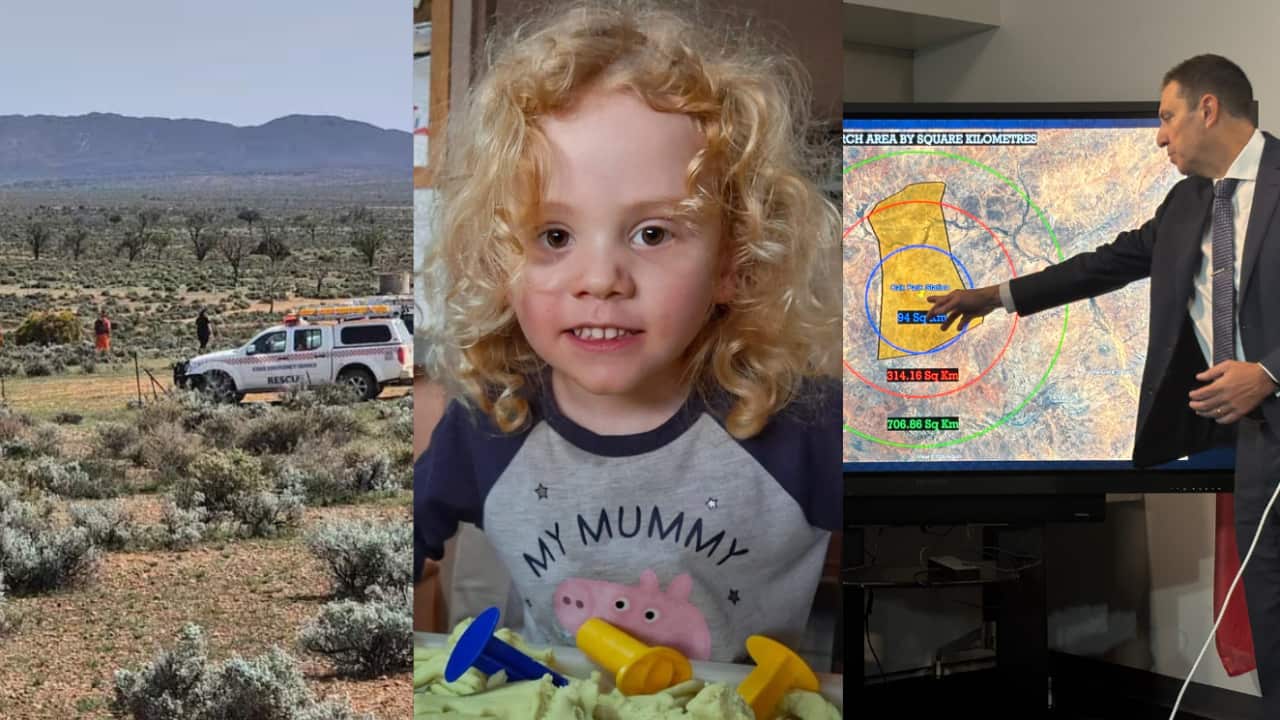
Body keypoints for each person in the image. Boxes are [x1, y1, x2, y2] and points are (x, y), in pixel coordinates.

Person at [414, 1, 841, 663]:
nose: (601, 278)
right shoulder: (486, 423)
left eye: (653, 233)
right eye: (554, 235)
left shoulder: (808, 428)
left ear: (733, 262)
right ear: (502, 261)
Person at [927, 54, 1280, 712]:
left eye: (1168, 117)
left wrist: (1268, 372)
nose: (1159, 136)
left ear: (1209, 109)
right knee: (1271, 610)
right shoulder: (1187, 205)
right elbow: (1104, 264)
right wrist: (994, 296)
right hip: (1261, 449)